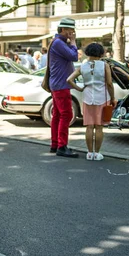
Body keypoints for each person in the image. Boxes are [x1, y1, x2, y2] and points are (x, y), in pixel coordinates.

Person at [67, 43, 116, 161]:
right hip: (102, 98)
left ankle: (89, 153)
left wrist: (80, 88)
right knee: (99, 127)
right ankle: (97, 153)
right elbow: (109, 84)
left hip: (87, 98)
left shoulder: (83, 66)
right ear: (101, 53)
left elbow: (69, 79)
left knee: (89, 126)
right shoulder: (105, 65)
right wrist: (113, 98)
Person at [49, 17, 79, 158]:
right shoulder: (59, 43)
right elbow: (74, 57)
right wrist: (73, 43)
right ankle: (62, 146)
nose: (72, 33)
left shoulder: (58, 42)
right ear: (62, 29)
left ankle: (55, 144)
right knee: (66, 114)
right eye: (69, 30)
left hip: (57, 84)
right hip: (61, 85)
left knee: (57, 115)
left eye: (73, 31)